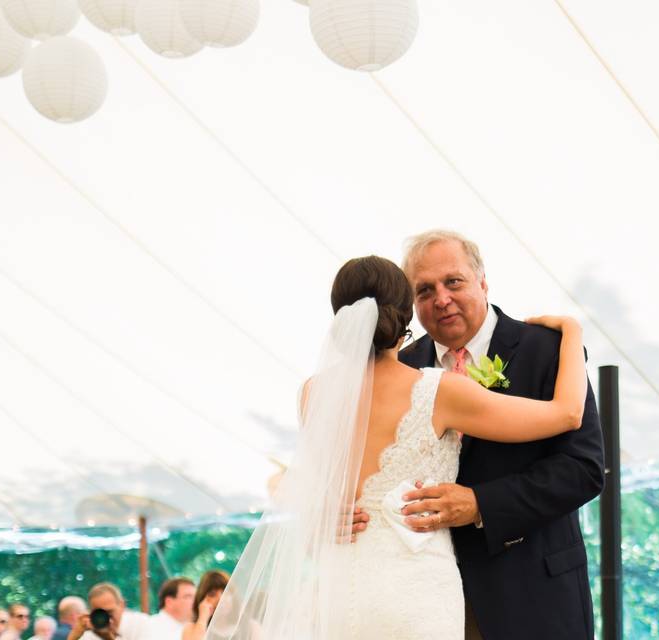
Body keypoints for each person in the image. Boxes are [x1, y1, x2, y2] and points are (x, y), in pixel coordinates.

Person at [206, 255, 588, 639]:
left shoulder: (314, 394)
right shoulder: (436, 390)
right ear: (407, 313)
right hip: (414, 590)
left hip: (341, 587)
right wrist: (572, 333)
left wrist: (325, 516)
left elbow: (323, 488)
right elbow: (568, 414)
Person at [391, 230, 605, 639]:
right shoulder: (400, 370)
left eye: (453, 281)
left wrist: (480, 505)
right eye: (424, 291)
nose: (441, 299)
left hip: (534, 594)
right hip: (427, 601)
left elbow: (584, 468)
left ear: (483, 281)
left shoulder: (548, 349)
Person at [67, 582, 150, 640]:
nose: (106, 618)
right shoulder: (89, 633)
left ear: (122, 605)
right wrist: (74, 635)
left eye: (110, 613)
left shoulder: (141, 624)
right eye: (100, 614)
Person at [181, 571, 229, 640]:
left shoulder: (246, 623)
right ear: (202, 601)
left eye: (225, 591)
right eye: (212, 594)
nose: (220, 598)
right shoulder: (191, 629)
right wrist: (203, 617)